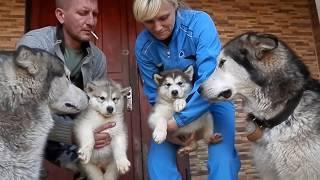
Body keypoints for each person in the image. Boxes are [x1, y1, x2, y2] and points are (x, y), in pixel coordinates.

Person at [133, 0, 241, 179]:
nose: (158, 27)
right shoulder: (143, 46)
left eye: (163, 17)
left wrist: (180, 121)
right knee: (157, 164)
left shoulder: (199, 24)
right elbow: (154, 93)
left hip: (213, 99)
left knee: (223, 160)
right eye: (149, 22)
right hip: (171, 109)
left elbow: (210, 77)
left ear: (175, 5)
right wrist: (170, 131)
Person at [16, 0, 113, 175]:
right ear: (61, 15)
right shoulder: (35, 45)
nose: (91, 21)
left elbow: (96, 109)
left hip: (68, 127)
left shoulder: (98, 59)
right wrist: (74, 133)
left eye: (95, 14)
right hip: (25, 130)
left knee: (98, 168)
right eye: (83, 13)